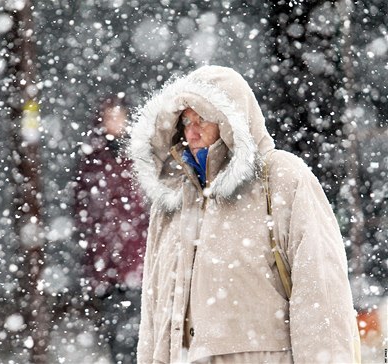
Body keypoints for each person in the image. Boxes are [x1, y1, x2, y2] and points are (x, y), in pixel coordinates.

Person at [128, 66, 360, 363]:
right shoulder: (172, 198)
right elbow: (153, 313)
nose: (192, 131)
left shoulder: (281, 178)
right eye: (186, 121)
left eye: (203, 119)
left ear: (231, 120)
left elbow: (321, 296)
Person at [74, 96, 149, 363]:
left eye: (119, 116)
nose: (115, 122)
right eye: (110, 116)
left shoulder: (139, 155)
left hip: (136, 261)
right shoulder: (93, 158)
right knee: (117, 334)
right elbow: (84, 208)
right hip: (108, 264)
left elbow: (146, 206)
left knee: (140, 332)